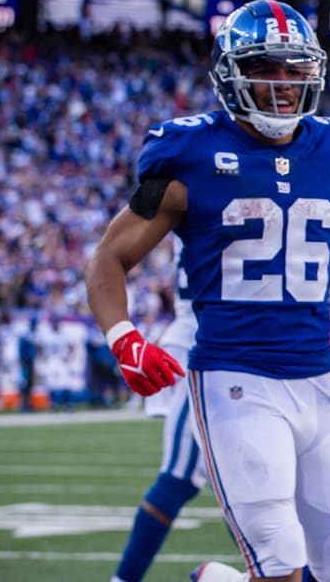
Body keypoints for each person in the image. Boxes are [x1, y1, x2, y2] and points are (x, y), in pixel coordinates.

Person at [84, 0, 330, 582]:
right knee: (279, 561)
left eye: (294, 69)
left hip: (320, 383)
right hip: (235, 381)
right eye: (266, 66)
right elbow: (108, 259)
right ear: (230, 72)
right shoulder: (189, 153)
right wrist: (124, 338)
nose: (283, 84)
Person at [109, 242, 210, 582]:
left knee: (256, 484)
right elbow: (111, 255)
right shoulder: (192, 189)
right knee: (179, 476)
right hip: (204, 342)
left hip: (248, 344)